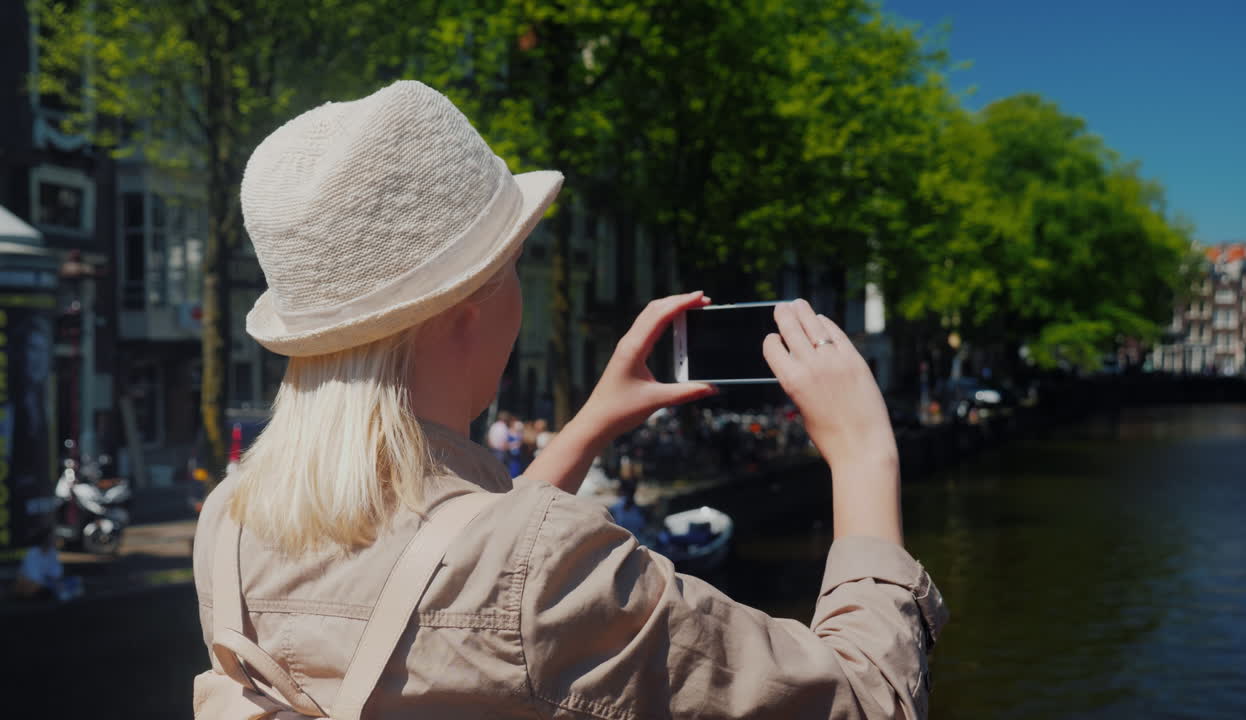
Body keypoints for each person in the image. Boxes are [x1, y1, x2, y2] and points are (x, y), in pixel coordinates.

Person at [192, 81, 945, 719]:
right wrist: (863, 455)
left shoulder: (230, 524)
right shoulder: (548, 564)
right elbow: (862, 696)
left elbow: (445, 586)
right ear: (469, 310)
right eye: (516, 258)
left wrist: (591, 424)